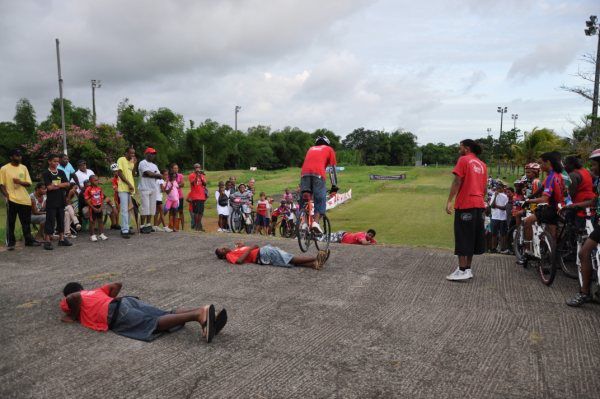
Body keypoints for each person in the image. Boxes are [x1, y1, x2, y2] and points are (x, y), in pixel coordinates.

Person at [59, 282, 227, 344]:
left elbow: (73, 297)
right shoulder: (94, 291)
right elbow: (116, 285)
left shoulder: (71, 297)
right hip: (125, 301)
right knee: (165, 314)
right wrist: (109, 301)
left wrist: (73, 316)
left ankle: (198, 315)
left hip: (115, 313)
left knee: (153, 324)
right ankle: (205, 314)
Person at [445, 139, 487, 281]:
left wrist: (450, 200)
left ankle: (462, 271)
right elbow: (485, 188)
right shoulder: (482, 165)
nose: (459, 150)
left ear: (467, 148)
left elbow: (457, 181)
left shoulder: (463, 160)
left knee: (463, 237)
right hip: (479, 204)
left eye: (460, 147)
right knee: (472, 237)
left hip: (466, 204)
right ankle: (467, 269)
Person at [566, 149, 600, 307]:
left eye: (594, 165)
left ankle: (584, 293)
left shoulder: (576, 175)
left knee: (584, 252)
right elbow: (594, 201)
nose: (592, 168)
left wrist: (573, 205)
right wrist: (575, 205)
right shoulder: (597, 181)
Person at [523, 152, 566, 254]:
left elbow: (544, 199)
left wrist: (529, 200)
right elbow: (542, 188)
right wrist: (532, 196)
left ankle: (528, 250)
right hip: (560, 209)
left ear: (548, 162)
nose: (540, 166)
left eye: (541, 163)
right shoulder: (559, 175)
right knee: (552, 236)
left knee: (527, 221)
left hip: (551, 209)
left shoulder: (551, 177)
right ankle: (552, 258)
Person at [0, 149, 40, 249]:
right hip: (12, 199)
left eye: (20, 155)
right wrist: (6, 195)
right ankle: (11, 243)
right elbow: (1, 184)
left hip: (24, 199)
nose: (19, 157)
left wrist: (19, 182)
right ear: (11, 157)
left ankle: (28, 241)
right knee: (11, 222)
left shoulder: (23, 168)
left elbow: (28, 183)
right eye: (17, 155)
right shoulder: (4, 169)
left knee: (26, 222)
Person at [300, 136, 338, 233]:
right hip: (318, 175)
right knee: (320, 199)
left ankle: (303, 222)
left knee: (305, 199)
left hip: (304, 174)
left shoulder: (311, 148)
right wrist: (334, 186)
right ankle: (315, 223)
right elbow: (332, 170)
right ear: (327, 143)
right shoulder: (329, 149)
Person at [215, 243, 328, 270]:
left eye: (223, 247)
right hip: (262, 254)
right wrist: (250, 248)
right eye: (222, 250)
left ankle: (315, 264)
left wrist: (244, 246)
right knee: (289, 258)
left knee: (287, 260)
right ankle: (316, 258)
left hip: (262, 252)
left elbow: (252, 248)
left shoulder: (235, 250)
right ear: (223, 255)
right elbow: (239, 261)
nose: (225, 248)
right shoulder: (230, 255)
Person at [41, 153, 73, 250]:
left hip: (61, 199)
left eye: (57, 161)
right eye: (54, 161)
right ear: (49, 161)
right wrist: (60, 185)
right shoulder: (46, 173)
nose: (56, 163)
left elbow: (67, 184)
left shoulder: (61, 172)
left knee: (61, 219)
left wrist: (56, 185)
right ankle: (47, 240)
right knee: (50, 220)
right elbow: (49, 187)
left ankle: (62, 239)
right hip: (51, 200)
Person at [138, 147, 162, 234]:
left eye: (154, 154)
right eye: (151, 154)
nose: (153, 155)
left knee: (151, 208)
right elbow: (146, 173)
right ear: (146, 154)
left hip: (153, 188)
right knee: (145, 207)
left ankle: (148, 224)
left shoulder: (154, 165)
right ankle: (141, 226)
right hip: (144, 188)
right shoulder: (142, 163)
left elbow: (159, 175)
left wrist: (154, 175)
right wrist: (155, 174)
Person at [116, 148, 136, 239]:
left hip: (130, 189)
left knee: (129, 209)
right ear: (126, 153)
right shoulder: (121, 159)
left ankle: (127, 227)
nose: (132, 154)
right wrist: (128, 184)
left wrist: (134, 164)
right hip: (123, 188)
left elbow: (132, 173)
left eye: (133, 153)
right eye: (131, 153)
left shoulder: (131, 162)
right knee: (124, 209)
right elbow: (119, 173)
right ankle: (124, 230)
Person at [84, 175, 108, 242]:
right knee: (92, 221)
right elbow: (87, 200)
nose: (97, 181)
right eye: (95, 180)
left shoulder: (99, 188)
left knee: (100, 220)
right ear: (90, 181)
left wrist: (101, 207)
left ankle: (101, 234)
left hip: (99, 206)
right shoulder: (88, 189)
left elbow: (102, 198)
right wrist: (93, 208)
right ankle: (92, 235)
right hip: (92, 207)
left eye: (97, 180)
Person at [488, 184, 509, 254]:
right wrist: (495, 196)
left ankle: (503, 248)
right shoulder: (494, 195)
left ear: (503, 189)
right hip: (495, 217)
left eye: (500, 188)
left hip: (503, 218)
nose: (498, 190)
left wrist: (496, 206)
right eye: (497, 188)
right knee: (494, 234)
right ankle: (493, 248)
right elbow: (491, 206)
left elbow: (504, 208)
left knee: (503, 234)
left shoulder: (505, 196)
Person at [188, 163, 207, 232]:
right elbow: (192, 183)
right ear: (194, 168)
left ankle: (199, 226)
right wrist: (196, 175)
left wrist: (201, 176)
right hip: (195, 196)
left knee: (201, 212)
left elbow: (205, 184)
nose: (198, 169)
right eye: (196, 167)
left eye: (199, 167)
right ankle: (196, 226)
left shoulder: (202, 175)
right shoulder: (191, 175)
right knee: (196, 212)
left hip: (202, 196)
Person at [170, 163, 186, 230]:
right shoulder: (170, 176)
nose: (176, 169)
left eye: (177, 168)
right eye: (174, 168)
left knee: (181, 211)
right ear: (172, 169)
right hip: (172, 196)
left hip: (180, 196)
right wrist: (177, 185)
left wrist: (174, 185)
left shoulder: (180, 175)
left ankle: (183, 228)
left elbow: (182, 184)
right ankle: (174, 226)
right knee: (174, 211)